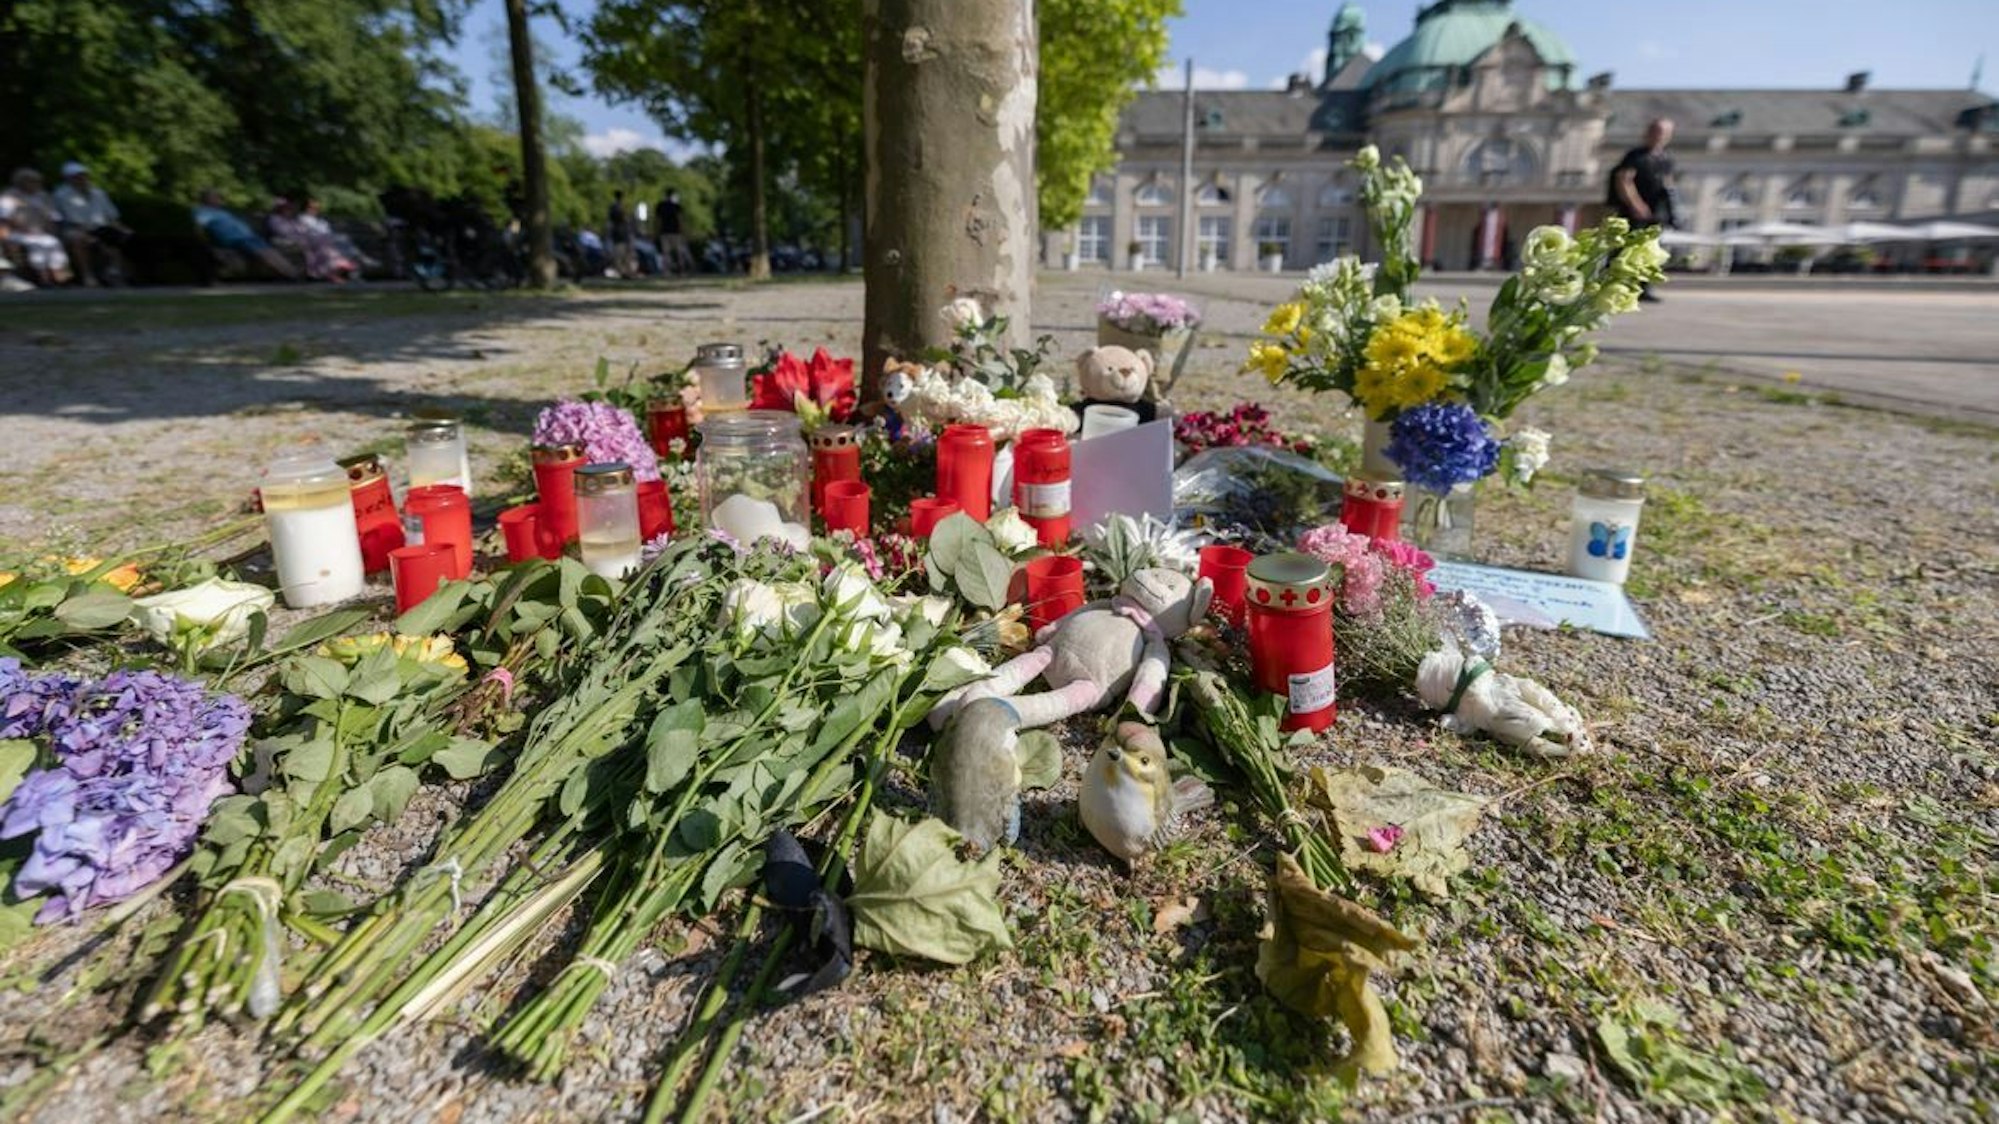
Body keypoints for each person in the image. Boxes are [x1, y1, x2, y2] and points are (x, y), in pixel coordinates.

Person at [1608, 118, 1677, 301]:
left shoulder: (1665, 159)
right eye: (1656, 131)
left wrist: (1670, 210)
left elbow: (1668, 184)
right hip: (1633, 212)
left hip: (1656, 211)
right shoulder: (1635, 156)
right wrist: (1636, 204)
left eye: (1663, 133)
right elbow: (1624, 180)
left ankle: (1643, 288)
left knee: (1649, 250)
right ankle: (1615, 285)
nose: (1659, 136)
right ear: (1647, 133)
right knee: (1625, 248)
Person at [192, 190, 301, 280]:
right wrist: (202, 241)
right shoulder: (203, 211)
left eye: (218, 197)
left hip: (247, 237)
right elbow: (199, 226)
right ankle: (292, 274)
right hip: (235, 239)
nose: (218, 199)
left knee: (269, 251)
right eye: (215, 197)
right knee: (264, 253)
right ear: (206, 199)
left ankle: (291, 271)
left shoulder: (222, 212)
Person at [53, 162, 131, 286]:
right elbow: (73, 221)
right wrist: (91, 235)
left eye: (83, 175)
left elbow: (112, 216)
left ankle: (115, 272)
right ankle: (88, 276)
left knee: (122, 237)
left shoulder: (99, 193)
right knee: (78, 240)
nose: (81, 178)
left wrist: (123, 230)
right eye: (77, 176)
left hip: (101, 229)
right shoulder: (61, 195)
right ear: (68, 179)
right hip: (75, 229)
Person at [0, 168, 72, 286]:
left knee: (54, 243)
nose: (37, 184)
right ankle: (44, 279)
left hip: (40, 232)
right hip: (17, 233)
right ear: (21, 182)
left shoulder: (43, 196)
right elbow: (4, 221)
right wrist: (5, 239)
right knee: (37, 246)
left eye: (38, 181)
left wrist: (51, 232)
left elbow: (53, 218)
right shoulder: (9, 197)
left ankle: (61, 278)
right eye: (33, 181)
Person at [267, 196, 357, 282]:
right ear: (279, 209)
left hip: (301, 239)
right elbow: (284, 233)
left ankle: (334, 267)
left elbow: (303, 230)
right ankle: (330, 269)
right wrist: (302, 235)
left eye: (289, 208)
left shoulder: (292, 220)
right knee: (320, 242)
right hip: (285, 241)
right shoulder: (275, 219)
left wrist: (304, 233)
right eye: (286, 208)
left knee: (323, 242)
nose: (289, 210)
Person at [656, 189, 693, 275]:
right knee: (678, 252)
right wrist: (683, 231)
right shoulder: (676, 206)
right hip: (675, 231)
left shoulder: (661, 206)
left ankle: (666, 270)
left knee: (666, 252)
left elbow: (658, 220)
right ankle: (681, 270)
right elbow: (680, 219)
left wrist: (656, 231)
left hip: (664, 231)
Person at [607, 190, 633, 278]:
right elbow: (625, 220)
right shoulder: (621, 208)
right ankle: (625, 272)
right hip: (623, 234)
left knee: (619, 255)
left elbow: (610, 222)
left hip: (617, 234)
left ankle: (624, 272)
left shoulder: (613, 207)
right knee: (624, 254)